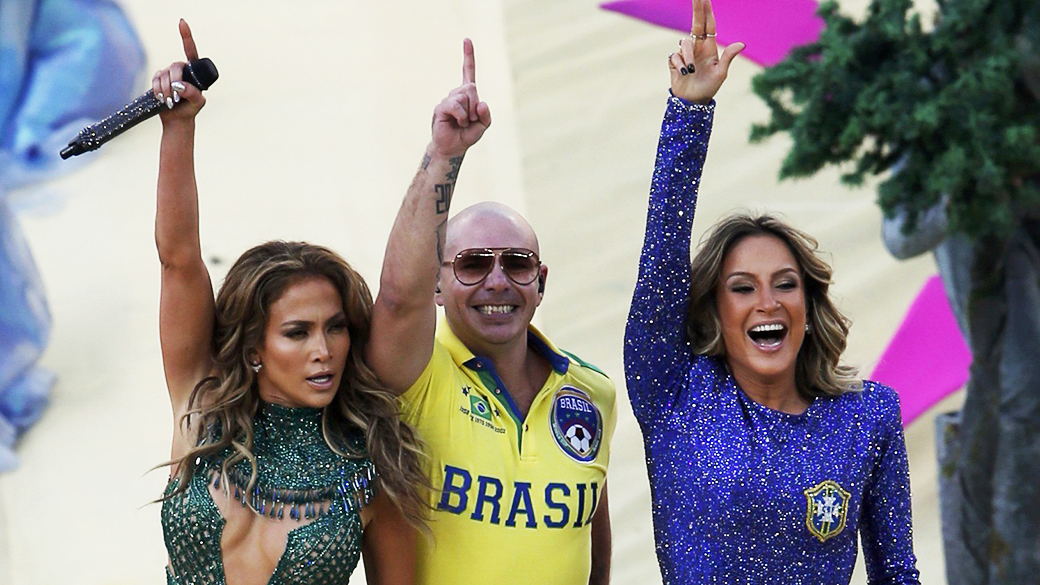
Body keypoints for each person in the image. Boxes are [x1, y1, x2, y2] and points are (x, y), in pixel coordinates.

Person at [623, 0, 921, 582]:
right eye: (742, 288)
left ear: (808, 306)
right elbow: (661, 258)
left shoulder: (868, 416)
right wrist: (690, 112)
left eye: (786, 285)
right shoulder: (674, 393)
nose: (768, 302)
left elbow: (898, 573)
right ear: (712, 310)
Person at [152, 21, 425, 584]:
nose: (323, 350)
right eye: (297, 332)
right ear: (254, 347)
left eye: (337, 328)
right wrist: (178, 127)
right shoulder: (202, 408)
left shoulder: (369, 470)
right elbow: (179, 260)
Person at [366, 38, 616, 585]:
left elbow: (590, 534)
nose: (497, 281)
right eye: (473, 264)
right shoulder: (416, 374)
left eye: (517, 263)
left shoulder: (593, 393)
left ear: (541, 282)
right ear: (438, 283)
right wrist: (444, 156)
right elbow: (395, 297)